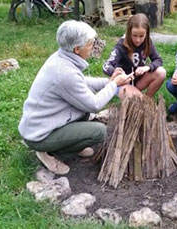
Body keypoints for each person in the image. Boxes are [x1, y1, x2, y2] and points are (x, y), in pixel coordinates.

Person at [18, 20, 132, 175]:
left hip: (46, 122)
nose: (93, 47)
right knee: (99, 132)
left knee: (83, 108)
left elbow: (82, 81)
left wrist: (109, 81)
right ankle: (51, 153)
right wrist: (113, 86)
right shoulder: (64, 72)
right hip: (39, 135)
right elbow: (95, 104)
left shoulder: (62, 58)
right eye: (90, 44)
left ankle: (71, 142)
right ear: (77, 49)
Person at [103, 13, 166, 98]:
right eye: (134, 35)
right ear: (129, 32)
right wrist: (116, 73)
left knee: (161, 72)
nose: (138, 40)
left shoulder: (147, 42)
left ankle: (147, 99)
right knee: (137, 101)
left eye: (141, 36)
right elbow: (106, 65)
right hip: (124, 82)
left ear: (146, 34)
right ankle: (135, 99)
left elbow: (158, 60)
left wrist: (147, 67)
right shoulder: (121, 45)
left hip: (139, 80)